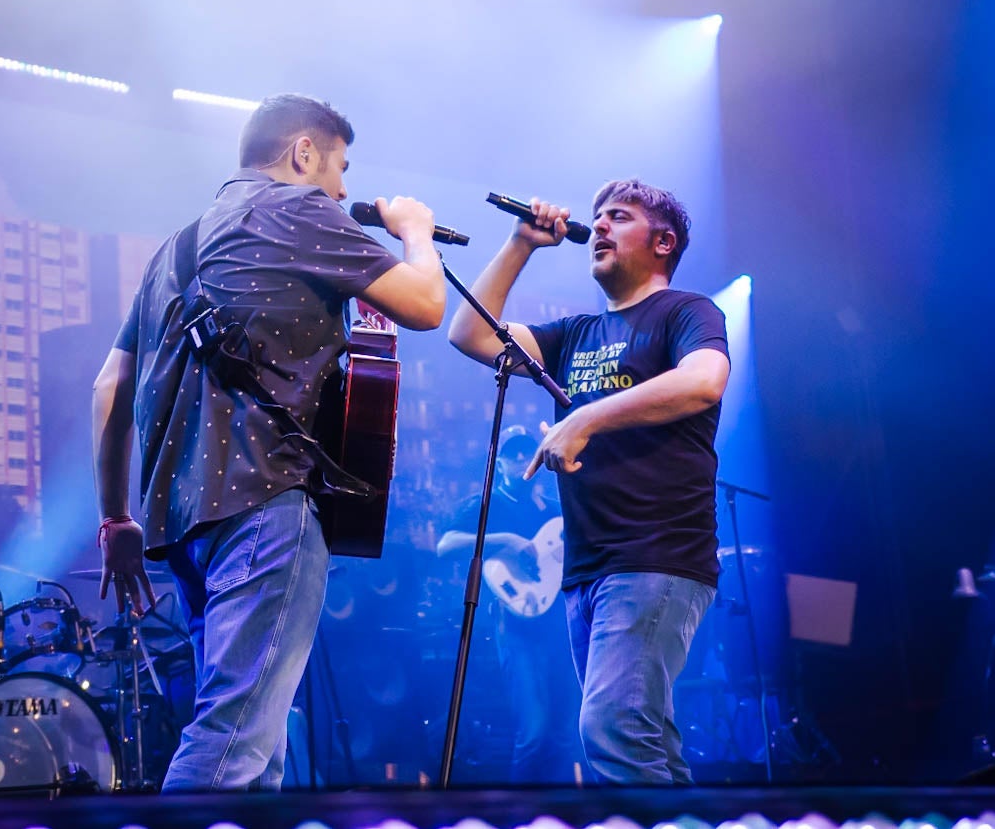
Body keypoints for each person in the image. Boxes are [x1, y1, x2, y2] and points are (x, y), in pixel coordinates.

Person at [92, 93, 446, 792]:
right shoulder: (298, 209)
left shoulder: (175, 247)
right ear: (302, 153)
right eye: (340, 167)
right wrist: (416, 230)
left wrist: (114, 517)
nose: (344, 190)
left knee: (258, 752)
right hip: (265, 505)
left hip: (184, 525)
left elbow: (110, 386)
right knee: (231, 747)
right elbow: (428, 305)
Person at [447, 179, 730, 785]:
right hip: (588, 568)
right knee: (640, 738)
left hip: (656, 556)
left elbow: (705, 380)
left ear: (663, 242)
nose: (598, 226)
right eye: (596, 218)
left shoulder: (686, 312)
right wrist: (522, 242)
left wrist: (586, 416)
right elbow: (469, 335)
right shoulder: (572, 335)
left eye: (618, 218)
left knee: (612, 731)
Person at [437, 424, 584, 784]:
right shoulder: (489, 503)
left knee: (566, 732)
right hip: (515, 624)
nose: (520, 458)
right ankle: (520, 814)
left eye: (526, 452)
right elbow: (446, 545)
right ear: (499, 462)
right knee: (533, 731)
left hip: (559, 623)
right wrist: (505, 540)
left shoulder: (555, 508)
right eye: (512, 453)